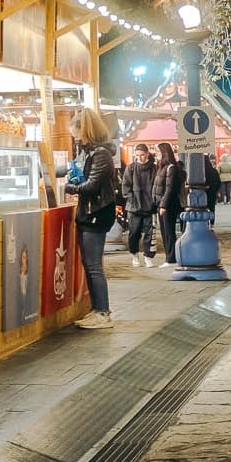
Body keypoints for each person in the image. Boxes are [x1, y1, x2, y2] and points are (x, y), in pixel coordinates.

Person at [66, 107, 119, 329]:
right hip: (91, 212)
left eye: (76, 132)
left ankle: (103, 312)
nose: (75, 136)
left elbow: (92, 184)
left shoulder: (100, 154)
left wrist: (72, 187)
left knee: (94, 264)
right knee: (90, 264)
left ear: (85, 130)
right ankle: (97, 309)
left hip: (96, 213)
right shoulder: (91, 152)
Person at [122, 143, 158, 267]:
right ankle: (134, 254)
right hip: (134, 206)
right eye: (137, 155)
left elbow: (157, 186)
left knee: (149, 233)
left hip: (150, 206)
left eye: (142, 155)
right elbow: (125, 187)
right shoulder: (130, 168)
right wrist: (132, 199)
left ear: (147, 153)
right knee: (134, 232)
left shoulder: (154, 168)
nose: (140, 158)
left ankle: (148, 256)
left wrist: (155, 201)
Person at [152, 142, 186, 266]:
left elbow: (170, 188)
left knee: (169, 231)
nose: (156, 155)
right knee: (164, 232)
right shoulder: (161, 167)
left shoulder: (171, 168)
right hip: (160, 203)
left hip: (168, 204)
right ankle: (169, 256)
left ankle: (171, 258)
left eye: (158, 152)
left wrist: (163, 205)